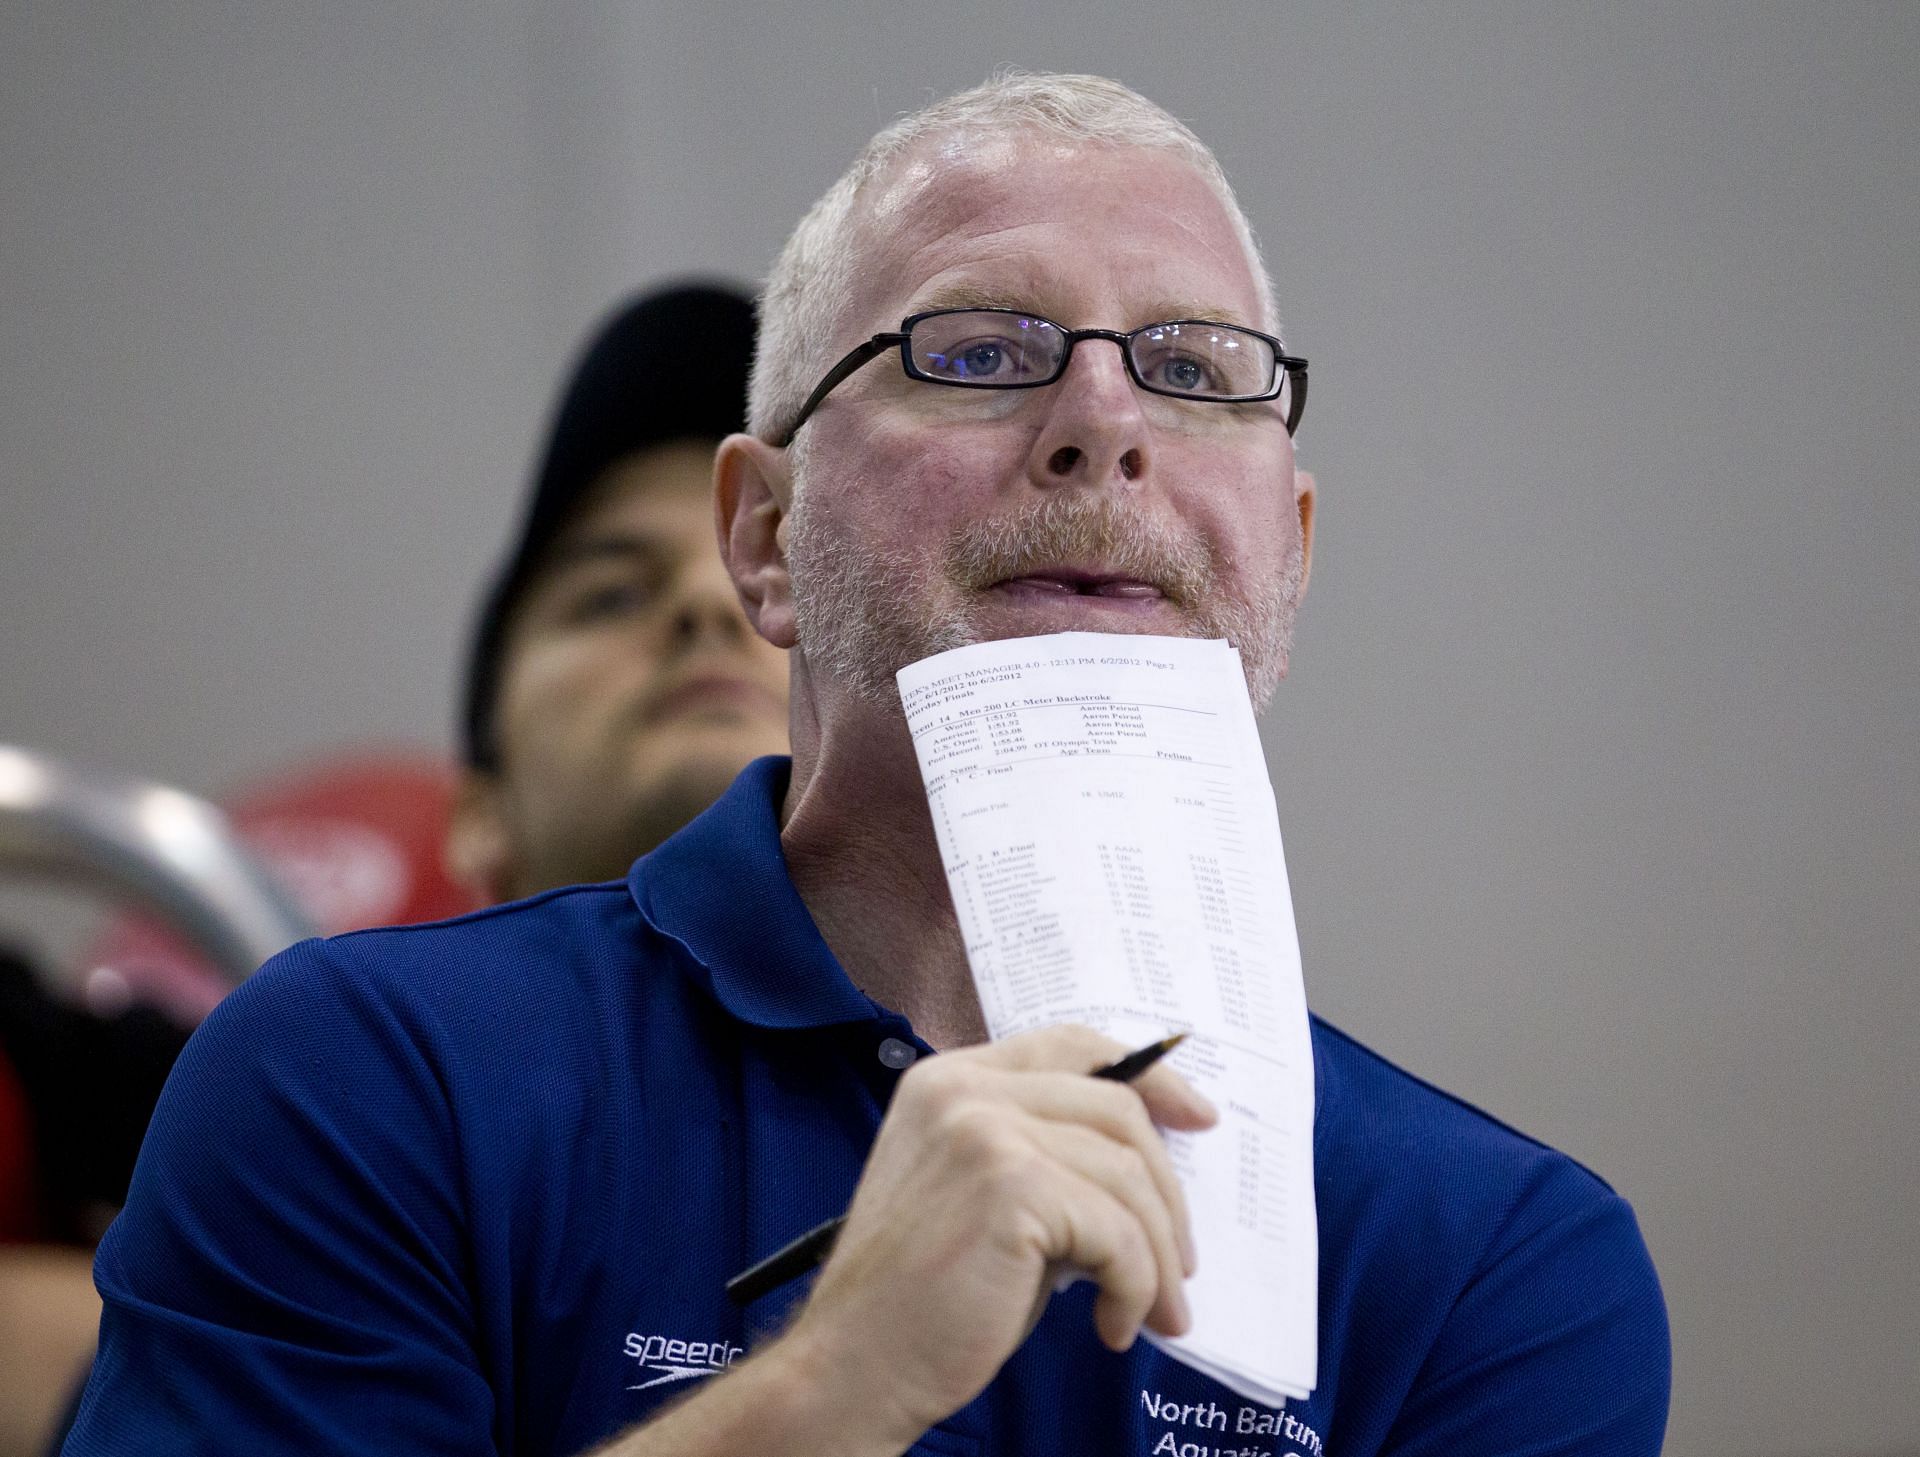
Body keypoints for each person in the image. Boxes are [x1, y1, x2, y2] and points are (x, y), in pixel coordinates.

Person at [64, 75, 1668, 1456]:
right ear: (764, 538)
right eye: (978, 351)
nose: (1103, 423)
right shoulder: (366, 1075)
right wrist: (840, 1383)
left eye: (1192, 369)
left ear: (1291, 556)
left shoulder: (1491, 1260)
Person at [446, 282, 791, 901]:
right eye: (614, 597)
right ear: (481, 819)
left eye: (781, 575)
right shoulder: (318, 999)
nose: (708, 602)